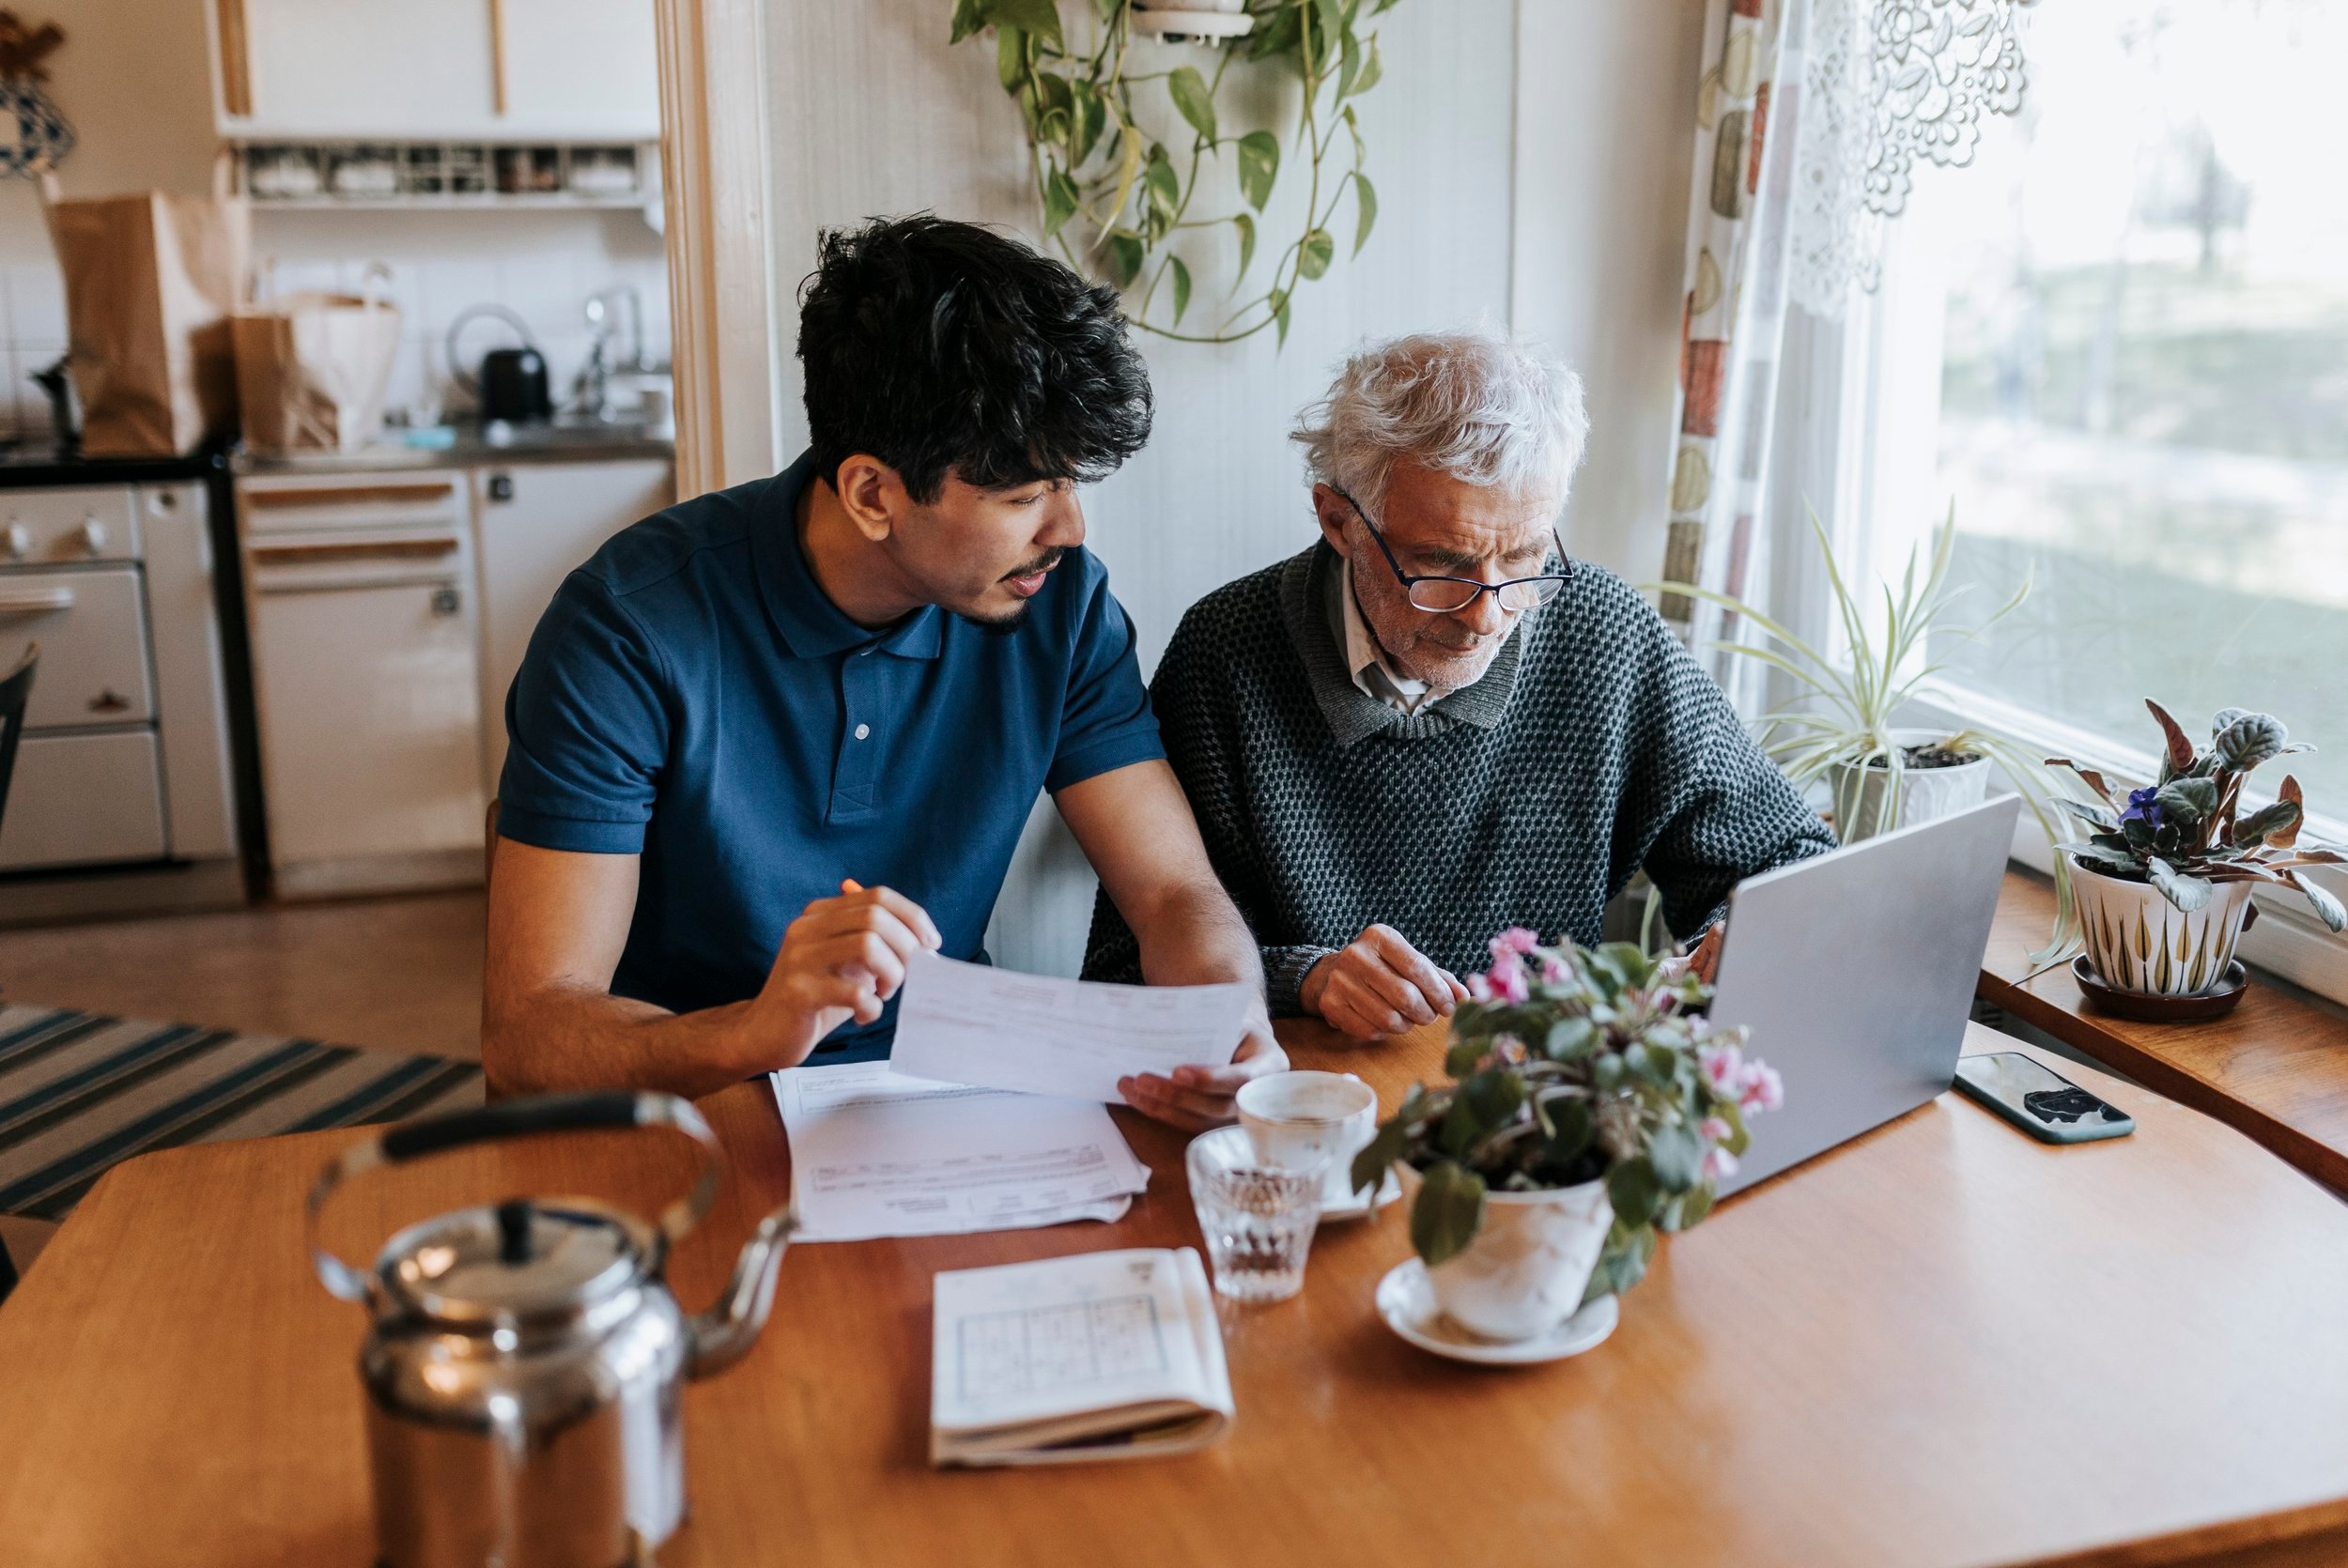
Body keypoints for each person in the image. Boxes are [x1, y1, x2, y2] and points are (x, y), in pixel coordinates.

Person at [484, 214, 1282, 1125]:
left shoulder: (1059, 605)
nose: (1070, 531)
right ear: (872, 493)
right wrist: (758, 1029)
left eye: (1072, 485)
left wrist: (1228, 1012)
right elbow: (529, 1035)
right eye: (1025, 496)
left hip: (953, 1104)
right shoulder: (628, 627)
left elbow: (1173, 890)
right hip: (693, 1111)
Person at [1081, 329, 1833, 1039]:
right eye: (1440, 564)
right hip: (1323, 1103)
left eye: (1525, 557)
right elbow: (1126, 974)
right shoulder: (1225, 655)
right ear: (1338, 521)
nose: (1487, 613)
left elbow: (1789, 862)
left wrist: (1725, 946)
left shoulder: (1601, 632)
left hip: (1540, 1104)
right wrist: (1303, 980)